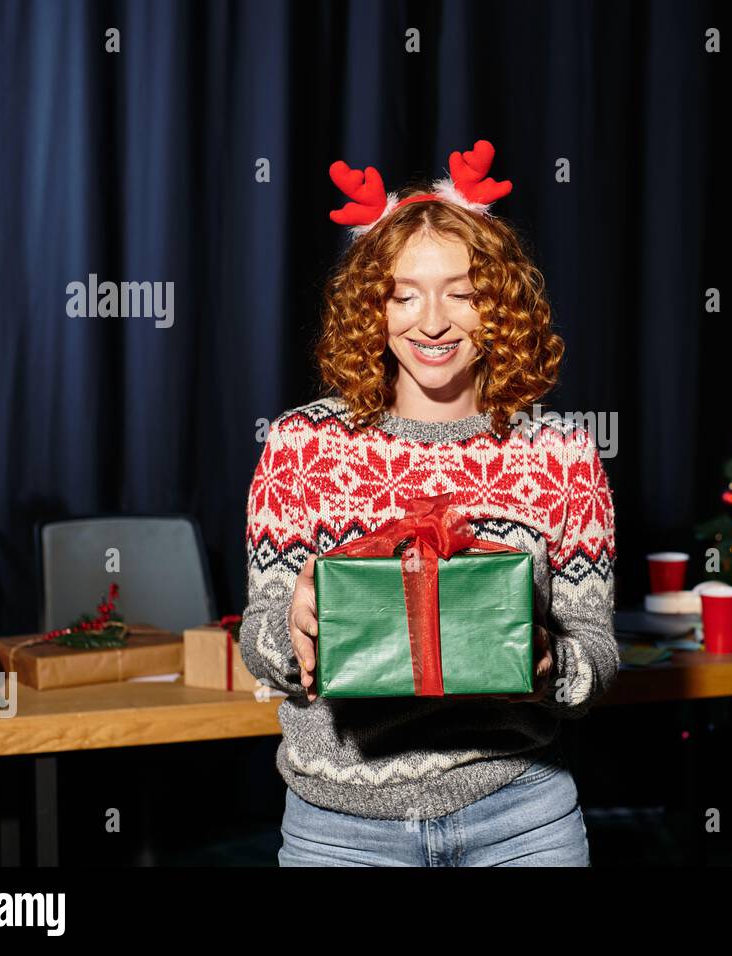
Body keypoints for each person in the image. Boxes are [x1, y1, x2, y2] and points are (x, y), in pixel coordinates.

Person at [239, 140, 618, 866]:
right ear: (372, 308)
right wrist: (295, 632)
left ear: (499, 304)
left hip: (522, 819)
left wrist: (546, 665)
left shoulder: (563, 451)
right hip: (339, 831)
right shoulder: (302, 444)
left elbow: (595, 650)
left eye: (463, 291)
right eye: (404, 293)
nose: (433, 320)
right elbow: (261, 639)